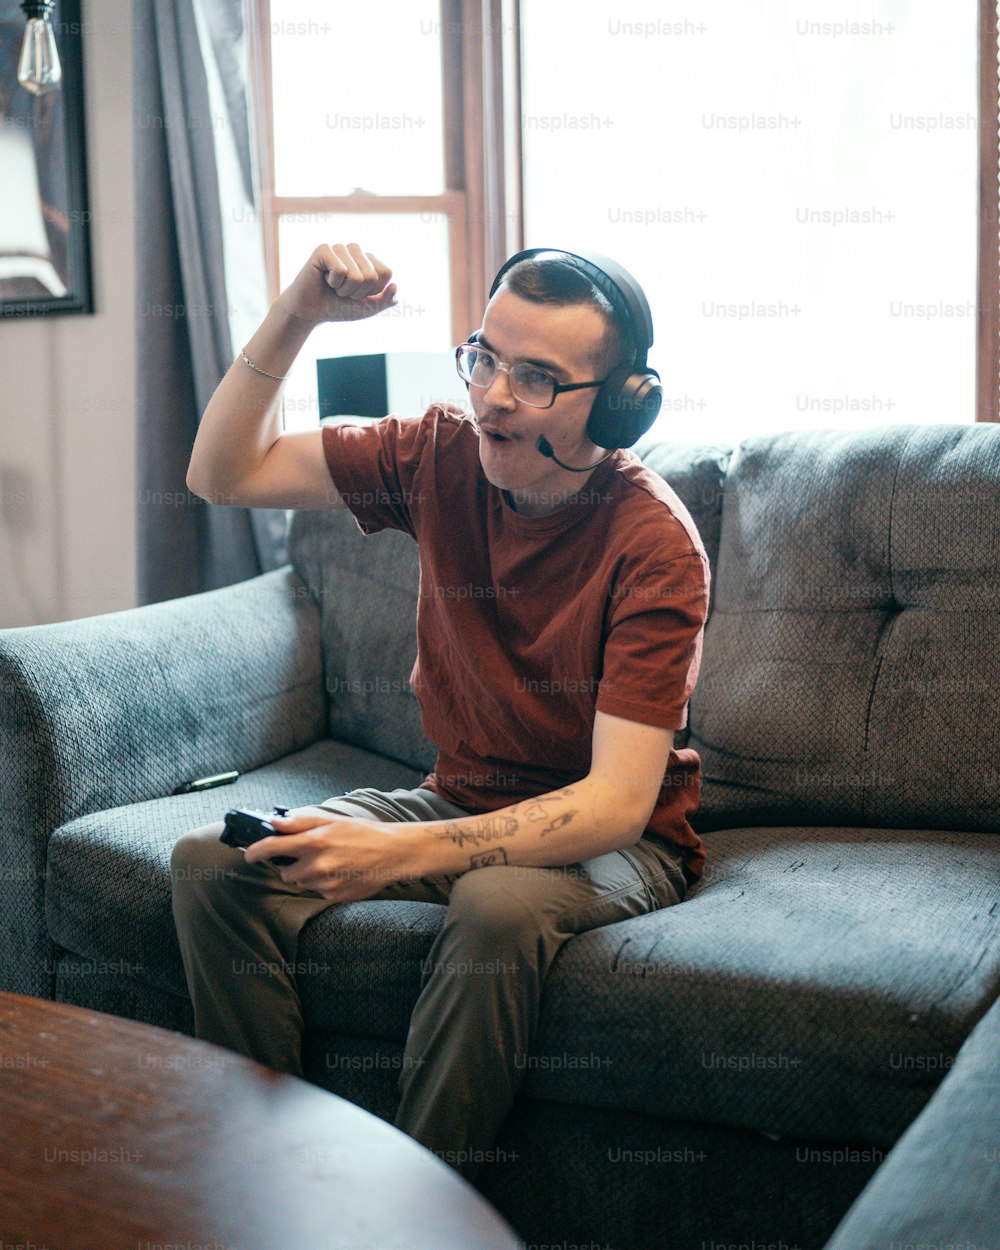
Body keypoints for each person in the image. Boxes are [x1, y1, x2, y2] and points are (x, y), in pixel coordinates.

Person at [171, 241, 711, 1182]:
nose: (496, 396)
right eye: (486, 357)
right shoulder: (436, 454)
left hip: (611, 841)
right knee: (217, 863)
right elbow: (222, 476)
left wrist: (397, 852)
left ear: (620, 404)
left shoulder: (654, 546)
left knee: (497, 903)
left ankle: (417, 1212)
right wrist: (299, 309)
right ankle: (273, 1183)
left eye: (538, 378)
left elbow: (617, 805)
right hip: (458, 796)